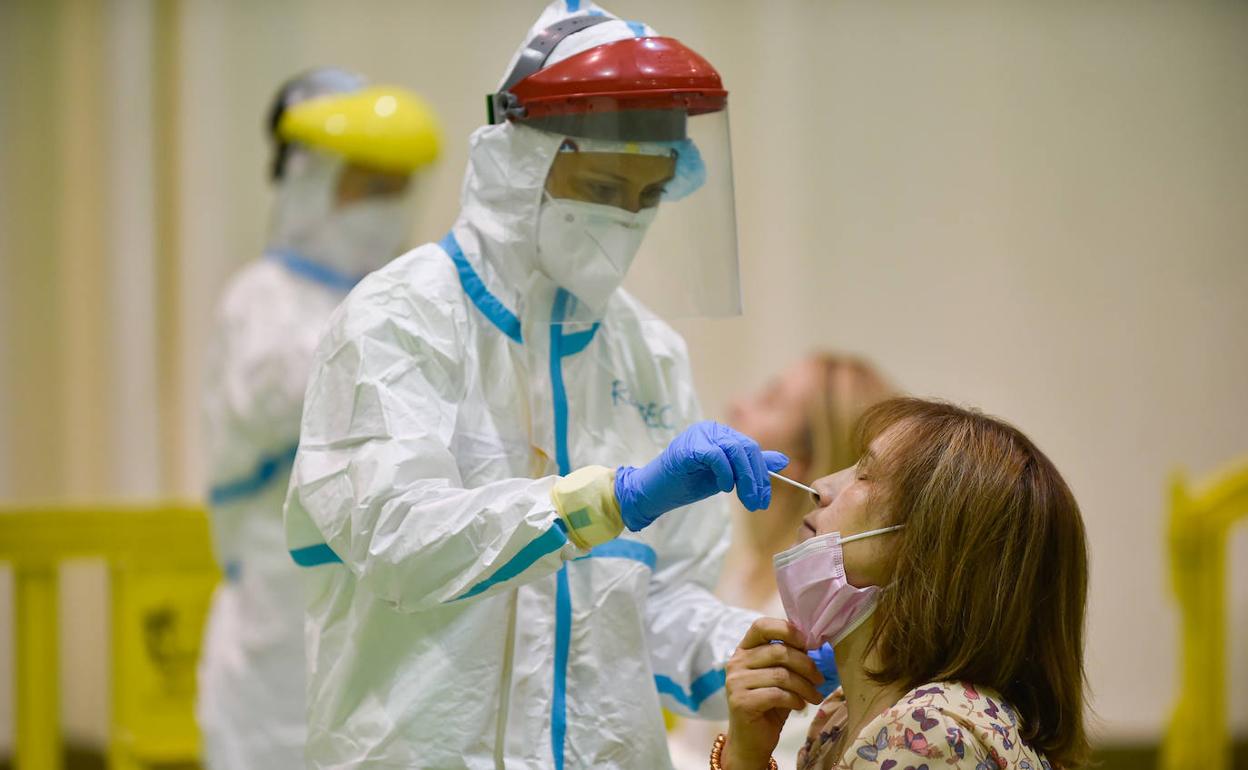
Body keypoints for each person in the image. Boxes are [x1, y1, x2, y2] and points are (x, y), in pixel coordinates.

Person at [283, 3, 779, 767]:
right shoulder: (401, 317)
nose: (626, 219)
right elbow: (399, 538)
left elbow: (654, 605)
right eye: (606, 186)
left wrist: (768, 653)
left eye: (648, 197)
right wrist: (608, 499)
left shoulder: (648, 353)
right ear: (523, 165)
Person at [195, 68, 440, 770]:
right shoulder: (261, 298)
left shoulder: (403, 295)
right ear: (308, 180)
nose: (384, 207)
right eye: (366, 184)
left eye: (397, 188)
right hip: (277, 602)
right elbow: (277, 401)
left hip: (383, 609)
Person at [717, 398, 1090, 770]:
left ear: (931, 548)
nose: (820, 487)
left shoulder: (927, 733)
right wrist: (745, 757)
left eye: (864, 475)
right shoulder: (839, 717)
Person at [670, 354, 893, 770]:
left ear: (804, 465)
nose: (738, 405)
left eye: (770, 400)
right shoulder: (743, 573)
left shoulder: (820, 611)